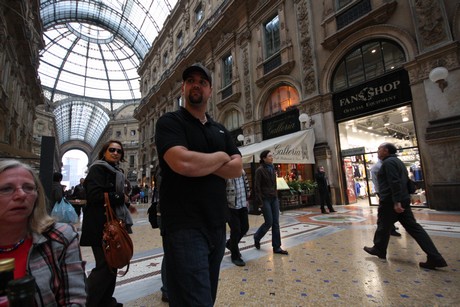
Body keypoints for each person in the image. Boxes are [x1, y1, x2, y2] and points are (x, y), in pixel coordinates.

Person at [155, 63, 242, 306]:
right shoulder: (169, 122)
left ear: (210, 90)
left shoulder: (220, 129)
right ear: (183, 88)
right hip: (184, 226)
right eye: (191, 80)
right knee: (198, 301)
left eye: (202, 82)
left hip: (216, 224)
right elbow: (182, 163)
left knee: (207, 297)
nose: (196, 85)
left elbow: (237, 168)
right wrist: (221, 157)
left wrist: (204, 162)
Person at [0, 159, 87, 305]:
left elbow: (75, 299)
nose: (21, 195)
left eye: (28, 187)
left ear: (37, 195)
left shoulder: (60, 238)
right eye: (6, 188)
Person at [363, 142, 448, 270]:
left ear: (386, 150)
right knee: (410, 227)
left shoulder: (389, 163)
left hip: (391, 202)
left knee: (384, 225)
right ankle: (435, 256)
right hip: (402, 199)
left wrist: (396, 201)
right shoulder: (398, 162)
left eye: (379, 149)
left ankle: (379, 249)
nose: (377, 151)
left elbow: (394, 182)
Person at [80, 140, 137, 306]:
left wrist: (126, 205)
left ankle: (106, 301)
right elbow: (94, 195)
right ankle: (86, 302)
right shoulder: (98, 169)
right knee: (104, 265)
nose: (115, 153)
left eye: (119, 151)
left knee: (112, 264)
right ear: (104, 152)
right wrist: (121, 198)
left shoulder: (115, 171)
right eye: (111, 150)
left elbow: (113, 193)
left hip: (110, 223)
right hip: (99, 225)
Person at [253, 150, 288, 255]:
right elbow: (257, 187)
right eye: (269, 156)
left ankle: (277, 247)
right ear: (264, 158)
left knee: (276, 223)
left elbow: (274, 185)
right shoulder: (260, 170)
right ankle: (257, 236)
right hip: (265, 199)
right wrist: (260, 202)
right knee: (269, 222)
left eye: (272, 156)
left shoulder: (273, 168)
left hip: (274, 198)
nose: (272, 157)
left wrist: (276, 195)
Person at [226, 169, 250, 266]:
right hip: (231, 206)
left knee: (245, 227)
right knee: (236, 230)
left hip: (242, 204)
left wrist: (247, 197)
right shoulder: (227, 173)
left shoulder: (242, 172)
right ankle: (235, 256)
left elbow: (246, 185)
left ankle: (230, 244)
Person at [370, 160, 401, 237]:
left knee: (387, 211)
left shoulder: (383, 165)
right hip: (383, 191)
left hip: (383, 191)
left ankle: (389, 227)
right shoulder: (378, 167)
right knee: (387, 211)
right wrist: (380, 191)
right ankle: (389, 229)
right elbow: (377, 181)